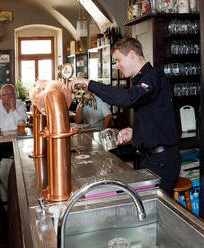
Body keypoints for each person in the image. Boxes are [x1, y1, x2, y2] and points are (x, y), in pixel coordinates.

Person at [69, 37, 180, 196]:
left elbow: (128, 98)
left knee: (157, 212)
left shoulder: (153, 76)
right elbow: (154, 116)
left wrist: (90, 84)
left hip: (162, 160)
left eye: (119, 60)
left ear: (133, 54)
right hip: (149, 158)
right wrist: (135, 131)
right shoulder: (141, 80)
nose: (117, 66)